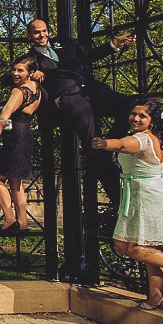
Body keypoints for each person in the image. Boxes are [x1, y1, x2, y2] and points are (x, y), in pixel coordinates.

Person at [25, 18, 135, 209]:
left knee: (132, 106)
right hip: (71, 99)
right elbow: (8, 75)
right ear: (30, 36)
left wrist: (113, 44)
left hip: (92, 88)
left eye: (44, 31)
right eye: (37, 32)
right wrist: (29, 73)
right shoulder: (30, 59)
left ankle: (108, 148)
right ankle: (121, 201)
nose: (42, 35)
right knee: (93, 145)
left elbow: (87, 56)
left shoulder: (64, 43)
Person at [92, 99, 163, 310]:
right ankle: (156, 297)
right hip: (155, 192)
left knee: (125, 246)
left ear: (152, 120)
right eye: (134, 113)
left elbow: (122, 144)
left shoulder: (141, 139)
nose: (135, 118)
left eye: (142, 115)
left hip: (145, 197)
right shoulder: (161, 140)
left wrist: (104, 144)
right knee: (150, 249)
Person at [0, 55, 42, 236]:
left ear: (30, 72)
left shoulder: (19, 91)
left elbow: (8, 109)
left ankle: (9, 219)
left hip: (16, 137)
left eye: (21, 70)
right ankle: (23, 223)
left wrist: (0, 122)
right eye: (14, 70)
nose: (15, 73)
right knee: (15, 182)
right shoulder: (37, 89)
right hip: (26, 135)